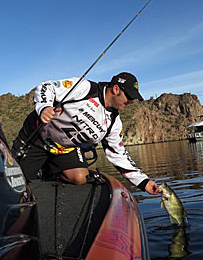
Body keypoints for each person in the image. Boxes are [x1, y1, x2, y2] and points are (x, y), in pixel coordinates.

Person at [12, 72, 159, 195]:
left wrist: (144, 182)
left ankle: (49, 171)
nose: (131, 102)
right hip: (37, 138)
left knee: (81, 177)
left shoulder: (114, 123)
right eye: (129, 96)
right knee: (16, 183)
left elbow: (119, 155)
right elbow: (47, 86)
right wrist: (44, 107)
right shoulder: (85, 88)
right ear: (115, 89)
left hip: (64, 150)